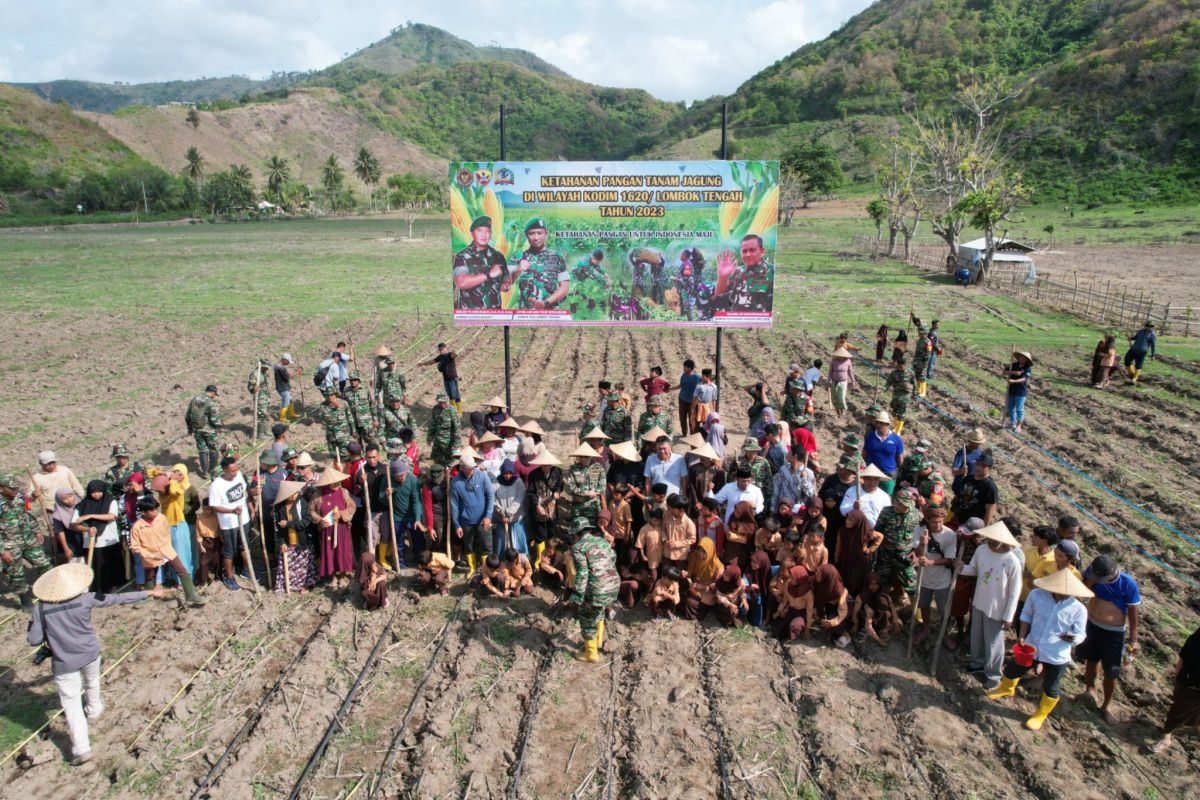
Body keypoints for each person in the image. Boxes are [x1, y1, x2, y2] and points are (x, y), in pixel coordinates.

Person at [27, 563, 164, 765]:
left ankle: (82, 748)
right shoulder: (86, 599)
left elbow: (34, 639)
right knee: (92, 682)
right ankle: (93, 709)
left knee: (71, 704)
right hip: (90, 654)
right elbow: (116, 599)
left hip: (64, 662)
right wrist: (149, 593)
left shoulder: (40, 608)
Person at [986, 569, 1092, 731]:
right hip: (1032, 645)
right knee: (1013, 668)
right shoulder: (1037, 595)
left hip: (1056, 654)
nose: (1059, 594)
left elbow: (1080, 635)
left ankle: (1041, 714)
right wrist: (1021, 636)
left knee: (1051, 686)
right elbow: (1026, 615)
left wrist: (1072, 638)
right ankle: (1006, 688)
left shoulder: (1078, 609)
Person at [1076, 555, 1141, 724]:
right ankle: (1089, 689)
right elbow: (1081, 593)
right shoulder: (1092, 573)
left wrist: (1134, 639)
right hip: (1092, 625)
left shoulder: (1128, 584)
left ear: (1113, 572)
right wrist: (1091, 580)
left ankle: (1107, 705)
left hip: (1113, 633)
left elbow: (1133, 613)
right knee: (1091, 659)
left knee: (1112, 671)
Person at [961, 521, 1022, 691]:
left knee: (993, 642)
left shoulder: (1012, 561)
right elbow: (974, 569)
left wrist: (1008, 616)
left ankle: (993, 675)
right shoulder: (981, 550)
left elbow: (1014, 592)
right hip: (980, 600)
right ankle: (976, 663)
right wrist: (962, 568)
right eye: (989, 539)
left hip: (997, 608)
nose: (990, 543)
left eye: (994, 540)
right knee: (976, 634)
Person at [129, 496, 206, 606]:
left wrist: (164, 548)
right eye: (152, 510)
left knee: (182, 570)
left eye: (156, 509)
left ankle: (191, 595)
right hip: (150, 556)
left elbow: (166, 533)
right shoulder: (137, 527)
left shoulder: (161, 518)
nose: (155, 512)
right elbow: (135, 547)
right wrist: (151, 554)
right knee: (149, 576)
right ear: (143, 512)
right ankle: (149, 597)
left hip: (167, 550)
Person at [570, 519, 619, 662]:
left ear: (576, 534)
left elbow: (582, 573)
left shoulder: (578, 547)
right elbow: (613, 557)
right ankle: (598, 641)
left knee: (586, 616)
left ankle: (590, 654)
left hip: (598, 587)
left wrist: (577, 595)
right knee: (598, 609)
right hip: (613, 583)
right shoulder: (602, 541)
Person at [1, 472, 52, 608]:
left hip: (28, 539)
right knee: (17, 575)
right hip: (9, 544)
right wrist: (2, 551)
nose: (15, 491)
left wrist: (36, 530)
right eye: (12, 488)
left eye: (16, 488)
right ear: (2, 488)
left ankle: (52, 592)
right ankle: (26, 603)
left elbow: (26, 514)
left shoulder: (18, 496)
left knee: (44, 564)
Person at [1150, 625, 1200, 754]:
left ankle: (1196, 726)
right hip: (1192, 677)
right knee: (1180, 708)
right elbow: (1190, 646)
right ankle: (1166, 736)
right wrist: (1180, 666)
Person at [911, 505, 957, 645]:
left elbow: (949, 559)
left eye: (940, 522)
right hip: (924, 576)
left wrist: (930, 562)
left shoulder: (949, 535)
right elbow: (915, 553)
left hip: (942, 579)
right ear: (928, 520)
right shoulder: (920, 530)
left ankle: (943, 633)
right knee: (924, 604)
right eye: (934, 522)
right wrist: (921, 545)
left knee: (944, 609)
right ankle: (925, 628)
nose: (938, 525)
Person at [209, 456, 253, 592]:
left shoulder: (239, 475)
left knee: (244, 546)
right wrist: (232, 510)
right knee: (229, 550)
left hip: (244, 519)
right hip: (229, 523)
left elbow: (245, 493)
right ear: (224, 470)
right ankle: (229, 576)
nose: (235, 473)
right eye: (232, 471)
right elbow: (215, 507)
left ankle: (247, 570)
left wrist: (250, 508)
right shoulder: (216, 485)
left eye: (236, 469)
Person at [451, 454, 495, 578]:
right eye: (469, 468)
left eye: (473, 468)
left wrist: (488, 516)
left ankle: (486, 569)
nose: (472, 470)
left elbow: (491, 496)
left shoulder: (482, 476)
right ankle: (472, 567)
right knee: (468, 546)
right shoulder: (456, 482)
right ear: (462, 468)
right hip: (466, 520)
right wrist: (457, 524)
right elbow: (454, 504)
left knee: (487, 546)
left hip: (483, 520)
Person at [454, 215, 509, 311]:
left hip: (495, 315)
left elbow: (506, 279)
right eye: (479, 230)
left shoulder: (498, 256)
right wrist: (488, 274)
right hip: (472, 317)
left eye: (487, 231)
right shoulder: (462, 256)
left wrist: (505, 285)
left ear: (491, 234)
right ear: (472, 233)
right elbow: (461, 282)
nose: (484, 235)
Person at [75, 481, 121, 592]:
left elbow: (112, 516)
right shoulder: (82, 505)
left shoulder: (110, 501)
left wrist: (90, 515)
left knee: (110, 567)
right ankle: (97, 590)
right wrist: (87, 529)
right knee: (96, 568)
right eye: (93, 492)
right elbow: (75, 524)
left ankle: (112, 588)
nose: (96, 494)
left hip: (108, 541)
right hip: (90, 542)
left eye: (99, 491)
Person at [273, 480, 317, 593]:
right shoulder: (279, 508)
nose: (295, 495)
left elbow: (306, 522)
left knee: (304, 566)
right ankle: (290, 585)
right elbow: (277, 528)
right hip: (288, 541)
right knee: (289, 566)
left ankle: (305, 585)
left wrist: (288, 524)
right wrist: (282, 541)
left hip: (302, 540)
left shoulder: (302, 503)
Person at [714, 234, 773, 312]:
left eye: (752, 250)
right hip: (737, 320)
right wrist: (722, 277)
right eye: (744, 251)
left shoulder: (772, 271)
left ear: (762, 251)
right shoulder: (737, 271)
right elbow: (719, 292)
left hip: (759, 321)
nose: (748, 254)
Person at [160, 464, 196, 584]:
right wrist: (164, 473)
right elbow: (151, 473)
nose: (178, 476)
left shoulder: (179, 488)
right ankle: (175, 579)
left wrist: (173, 480)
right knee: (171, 553)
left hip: (179, 523)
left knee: (183, 553)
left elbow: (175, 491)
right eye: (175, 473)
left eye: (181, 474)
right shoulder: (166, 488)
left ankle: (185, 581)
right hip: (168, 525)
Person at [184, 385, 222, 478]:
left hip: (197, 430)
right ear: (213, 392)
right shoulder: (211, 402)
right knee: (213, 449)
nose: (215, 396)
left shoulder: (194, 400)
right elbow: (214, 418)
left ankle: (204, 472)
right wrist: (218, 427)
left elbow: (187, 416)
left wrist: (190, 429)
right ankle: (213, 471)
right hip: (209, 430)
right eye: (215, 394)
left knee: (202, 450)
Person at [951, 450, 998, 526]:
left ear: (989, 468)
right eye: (978, 464)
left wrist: (981, 531)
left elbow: (989, 512)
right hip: (957, 518)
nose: (979, 467)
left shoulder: (990, 486)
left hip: (971, 526)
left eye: (983, 466)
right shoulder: (970, 477)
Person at [862, 411, 903, 495]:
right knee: (870, 495)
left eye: (881, 423)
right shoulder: (870, 436)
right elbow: (864, 454)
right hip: (872, 474)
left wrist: (900, 471)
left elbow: (899, 458)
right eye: (877, 422)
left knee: (886, 498)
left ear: (887, 424)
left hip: (888, 474)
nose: (878, 425)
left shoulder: (896, 439)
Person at [838, 464, 891, 528]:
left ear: (879, 480)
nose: (872, 482)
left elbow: (888, 517)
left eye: (875, 479)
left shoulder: (884, 497)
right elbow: (842, 511)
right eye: (869, 479)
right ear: (864, 479)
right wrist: (853, 507)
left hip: (874, 531)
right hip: (855, 529)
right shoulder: (852, 491)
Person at [494, 459, 527, 557]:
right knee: (501, 540)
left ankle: (521, 560)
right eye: (505, 473)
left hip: (516, 517)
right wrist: (500, 512)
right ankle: (501, 561)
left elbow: (519, 499)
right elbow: (493, 497)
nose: (507, 476)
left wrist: (509, 513)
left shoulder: (518, 481)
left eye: (509, 473)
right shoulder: (496, 481)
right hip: (501, 517)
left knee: (519, 539)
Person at [418, 343, 461, 413]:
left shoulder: (449, 355)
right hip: (446, 379)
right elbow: (432, 361)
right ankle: (453, 411)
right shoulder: (440, 357)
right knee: (450, 396)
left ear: (445, 348)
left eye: (441, 349)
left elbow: (454, 355)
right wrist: (423, 363)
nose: (440, 351)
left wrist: (454, 353)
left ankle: (459, 412)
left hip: (452, 379)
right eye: (439, 349)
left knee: (455, 395)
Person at [426, 392, 462, 469]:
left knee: (449, 464)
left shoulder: (452, 411)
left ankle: (448, 478)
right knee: (437, 462)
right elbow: (433, 424)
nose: (442, 405)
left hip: (448, 443)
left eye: (444, 403)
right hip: (437, 442)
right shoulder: (435, 409)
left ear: (447, 401)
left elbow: (457, 428)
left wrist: (456, 445)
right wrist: (429, 437)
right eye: (440, 403)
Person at [885, 353, 917, 436]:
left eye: (900, 366)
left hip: (906, 396)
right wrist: (884, 389)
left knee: (902, 413)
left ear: (905, 365)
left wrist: (914, 394)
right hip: (896, 395)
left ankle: (898, 431)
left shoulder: (910, 373)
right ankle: (895, 427)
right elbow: (889, 382)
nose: (899, 368)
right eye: (898, 366)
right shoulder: (894, 373)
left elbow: (914, 384)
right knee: (894, 411)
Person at [1003, 350, 1033, 432]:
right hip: (1011, 390)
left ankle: (1019, 426)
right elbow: (1004, 372)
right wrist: (1013, 372)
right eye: (1021, 357)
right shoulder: (1014, 365)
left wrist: (1014, 381)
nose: (1022, 359)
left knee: (1019, 409)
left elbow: (1024, 379)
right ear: (1019, 357)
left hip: (1020, 392)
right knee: (1010, 408)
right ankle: (1013, 422)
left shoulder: (1027, 368)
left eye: (1024, 358)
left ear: (1027, 360)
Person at [950, 428, 987, 496]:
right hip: (961, 485)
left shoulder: (979, 451)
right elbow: (953, 471)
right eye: (977, 443)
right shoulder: (961, 453)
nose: (979, 445)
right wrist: (961, 471)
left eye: (979, 443)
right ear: (971, 441)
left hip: (973, 485)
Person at [1123, 320, 1158, 385]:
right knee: (1127, 360)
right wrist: (1131, 338)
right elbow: (1136, 338)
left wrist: (1153, 355)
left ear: (1153, 327)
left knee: (1138, 365)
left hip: (1142, 352)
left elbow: (1153, 345)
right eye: (1148, 326)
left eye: (1151, 326)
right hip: (1133, 349)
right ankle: (1131, 373)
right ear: (1145, 326)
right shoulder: (1140, 332)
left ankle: (1134, 379)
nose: (1149, 327)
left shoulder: (1153, 335)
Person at [828, 347, 857, 417]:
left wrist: (853, 381)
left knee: (841, 397)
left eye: (842, 356)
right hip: (834, 381)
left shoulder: (848, 361)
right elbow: (830, 372)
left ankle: (843, 409)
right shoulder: (833, 361)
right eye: (839, 356)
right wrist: (828, 381)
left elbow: (850, 372)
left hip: (843, 382)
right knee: (834, 397)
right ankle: (838, 412)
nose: (840, 357)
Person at [273, 353, 300, 421]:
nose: (288, 363)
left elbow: (287, 375)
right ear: (285, 360)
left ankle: (291, 413)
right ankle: (282, 417)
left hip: (281, 387)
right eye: (288, 361)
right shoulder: (281, 368)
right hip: (283, 388)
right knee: (285, 402)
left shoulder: (277, 366)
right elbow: (289, 376)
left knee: (290, 400)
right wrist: (297, 372)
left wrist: (294, 372)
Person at [676, 359, 700, 435]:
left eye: (685, 367)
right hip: (682, 399)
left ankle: (692, 435)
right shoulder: (684, 375)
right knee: (682, 417)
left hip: (692, 401)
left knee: (692, 419)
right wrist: (670, 389)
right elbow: (681, 385)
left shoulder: (697, 377)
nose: (684, 369)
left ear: (690, 368)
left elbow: (705, 382)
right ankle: (684, 432)